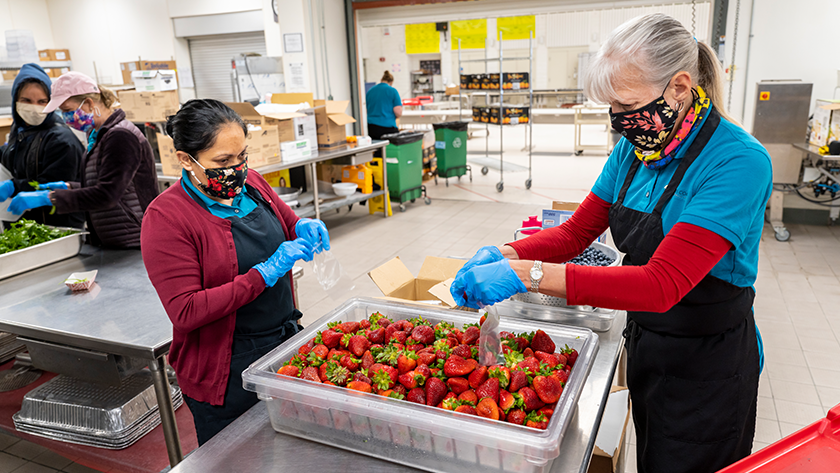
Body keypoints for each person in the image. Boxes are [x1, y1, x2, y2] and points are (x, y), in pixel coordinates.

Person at [451, 14, 771, 473]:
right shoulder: (637, 149)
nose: (620, 121)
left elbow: (662, 284)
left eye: (628, 104)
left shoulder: (737, 162)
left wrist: (528, 276)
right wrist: (509, 252)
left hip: (709, 366)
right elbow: (575, 233)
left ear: (679, 87)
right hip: (648, 343)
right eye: (613, 107)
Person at [140, 99, 331, 445]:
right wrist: (264, 273)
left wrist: (301, 224)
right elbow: (186, 311)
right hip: (226, 369)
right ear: (186, 159)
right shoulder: (167, 218)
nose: (238, 169)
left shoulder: (253, 184)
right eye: (223, 162)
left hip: (282, 346)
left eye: (242, 155)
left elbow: (286, 223)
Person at [7, 71, 158, 248]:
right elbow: (106, 184)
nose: (66, 118)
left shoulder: (120, 136)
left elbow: (107, 195)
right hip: (115, 238)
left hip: (133, 239)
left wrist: (51, 198)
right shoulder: (98, 135)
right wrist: (69, 187)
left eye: (68, 111)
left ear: (88, 103)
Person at [0, 63, 84, 228]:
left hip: (56, 226)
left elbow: (50, 184)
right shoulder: (21, 128)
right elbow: (16, 157)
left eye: (42, 101)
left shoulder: (61, 141)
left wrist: (13, 186)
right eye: (26, 100)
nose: (34, 108)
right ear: (15, 101)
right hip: (28, 223)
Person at [366, 71, 402, 140]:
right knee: (390, 150)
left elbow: (366, 109)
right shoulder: (393, 91)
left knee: (376, 148)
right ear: (391, 82)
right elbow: (398, 112)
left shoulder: (370, 91)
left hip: (371, 127)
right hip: (388, 128)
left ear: (381, 80)